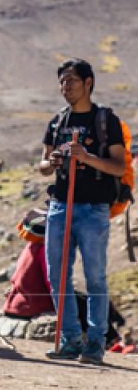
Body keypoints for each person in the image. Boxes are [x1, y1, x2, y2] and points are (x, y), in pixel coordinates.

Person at [39, 58, 125, 364]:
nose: (66, 86)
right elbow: (43, 163)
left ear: (88, 82)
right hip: (60, 206)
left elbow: (119, 165)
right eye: (62, 81)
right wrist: (53, 162)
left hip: (93, 210)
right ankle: (70, 339)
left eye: (72, 80)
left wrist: (86, 157)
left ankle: (95, 343)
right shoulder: (57, 121)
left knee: (95, 277)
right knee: (57, 275)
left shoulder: (105, 120)